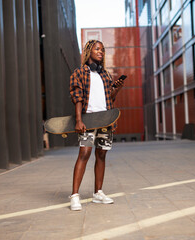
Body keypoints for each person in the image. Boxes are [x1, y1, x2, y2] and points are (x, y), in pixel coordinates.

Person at [68, 39, 124, 211]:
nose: (101, 52)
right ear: (88, 51)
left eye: (103, 49)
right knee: (84, 153)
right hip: (88, 120)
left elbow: (110, 98)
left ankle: (98, 193)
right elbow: (77, 97)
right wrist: (79, 120)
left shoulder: (105, 75)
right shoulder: (80, 73)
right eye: (97, 49)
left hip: (106, 121)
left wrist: (118, 88)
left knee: (101, 155)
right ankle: (75, 196)